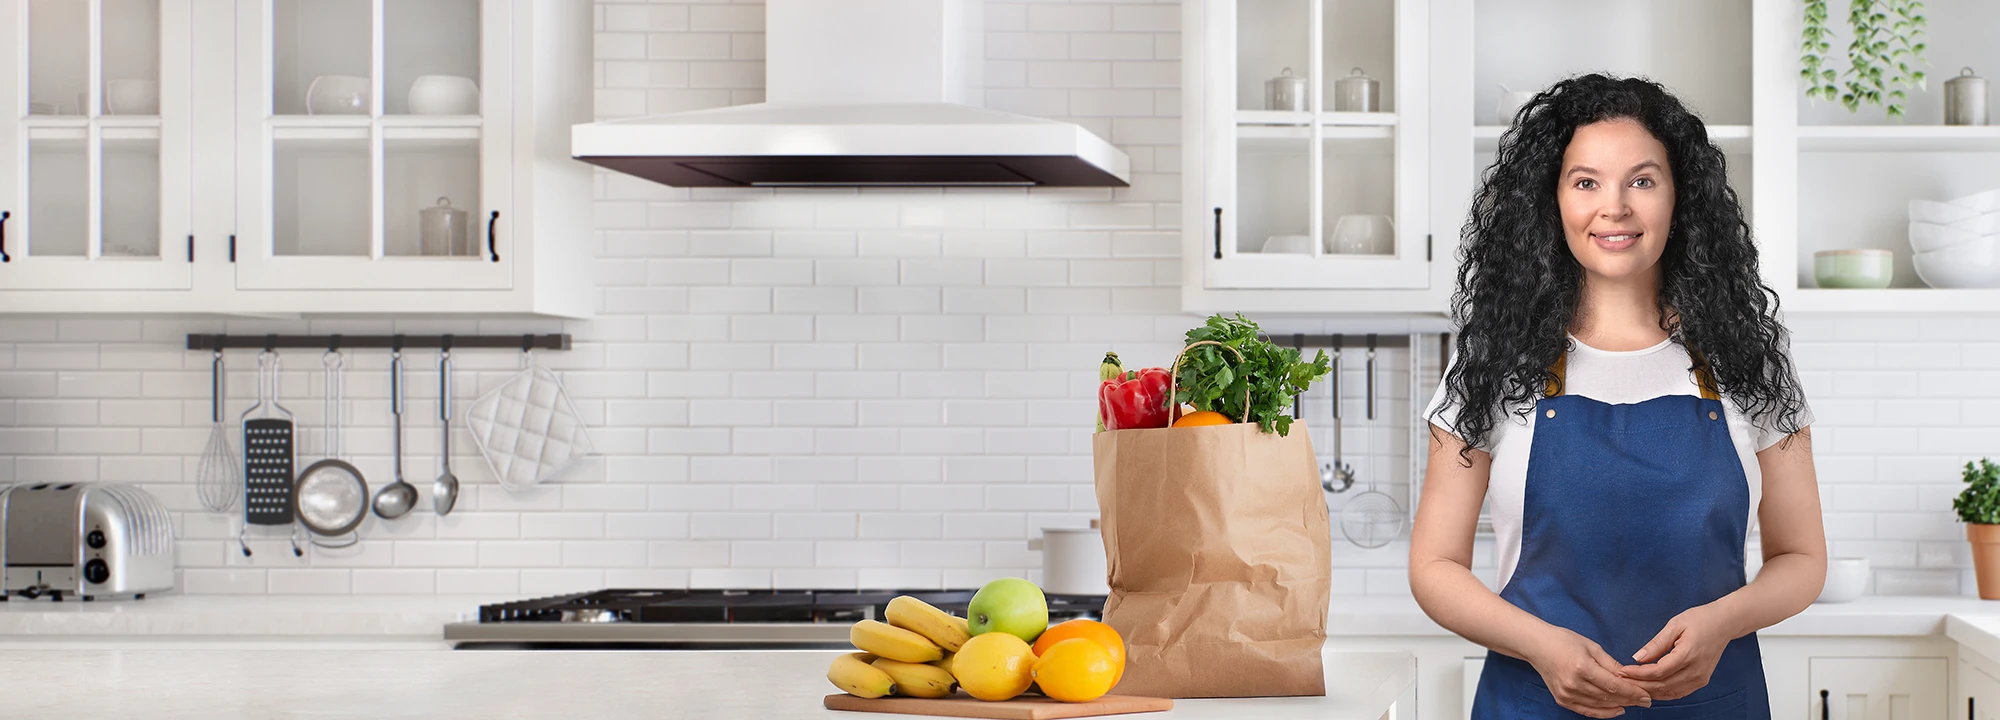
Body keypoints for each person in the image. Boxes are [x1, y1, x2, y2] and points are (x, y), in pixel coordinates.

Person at [1410, 73, 1824, 719]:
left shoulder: (1748, 361)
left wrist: (1721, 622)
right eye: (1586, 182)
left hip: (1714, 703)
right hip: (1532, 701)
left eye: (1642, 179)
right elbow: (1435, 565)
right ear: (1551, 201)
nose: (1615, 207)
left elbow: (1801, 558)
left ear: (1678, 198)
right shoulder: (1492, 361)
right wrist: (1543, 647)